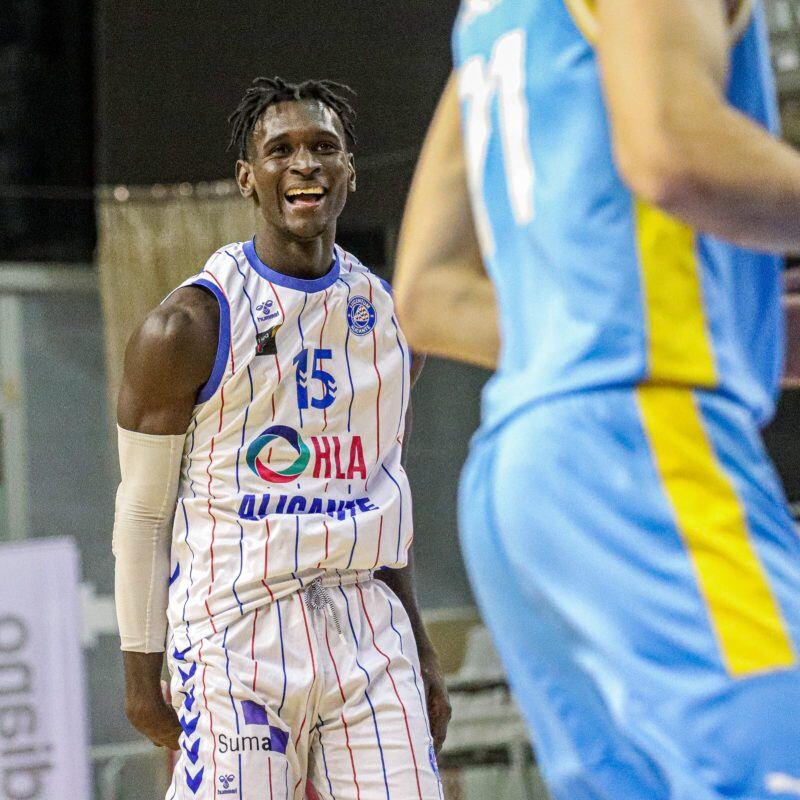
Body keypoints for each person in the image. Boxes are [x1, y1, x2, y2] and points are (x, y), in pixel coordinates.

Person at [394, 1, 800, 798]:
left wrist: (741, 329)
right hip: (639, 449)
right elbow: (674, 152)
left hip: (523, 476)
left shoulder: (494, 16)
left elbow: (427, 292)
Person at [113, 76, 449, 800]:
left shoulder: (391, 322)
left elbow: (382, 492)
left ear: (349, 173)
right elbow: (142, 514)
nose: (304, 164)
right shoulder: (187, 327)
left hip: (366, 625)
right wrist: (142, 673)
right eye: (281, 150)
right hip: (236, 633)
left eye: (323, 147)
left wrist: (420, 649)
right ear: (248, 178)